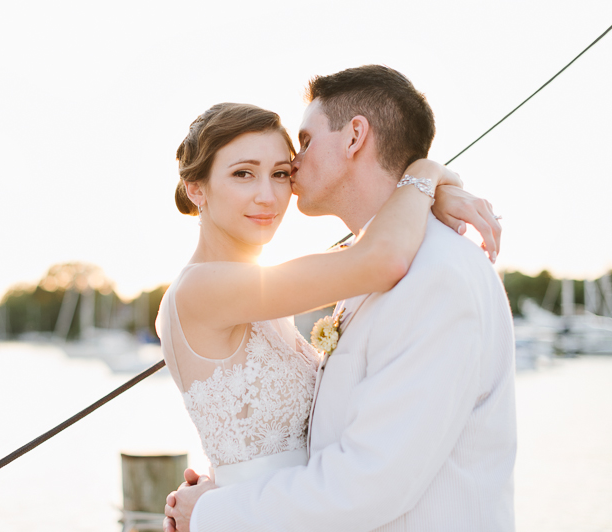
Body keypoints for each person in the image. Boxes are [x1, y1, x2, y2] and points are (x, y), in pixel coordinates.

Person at [162, 65, 513, 532]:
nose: (270, 193)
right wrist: (427, 176)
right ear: (196, 188)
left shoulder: (432, 271)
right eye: (244, 174)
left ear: (354, 138)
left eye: (283, 168)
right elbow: (379, 259)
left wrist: (218, 502)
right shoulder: (205, 289)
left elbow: (357, 475)